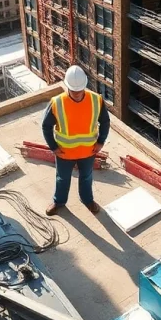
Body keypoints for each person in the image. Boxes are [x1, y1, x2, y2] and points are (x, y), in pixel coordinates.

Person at [43, 65, 111, 216]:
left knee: (86, 177)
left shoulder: (96, 100)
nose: (77, 94)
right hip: (64, 152)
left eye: (80, 90)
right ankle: (59, 202)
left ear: (84, 85)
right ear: (68, 87)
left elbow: (105, 122)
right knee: (62, 178)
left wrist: (101, 141)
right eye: (74, 91)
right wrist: (53, 147)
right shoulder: (57, 102)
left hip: (88, 151)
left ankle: (88, 200)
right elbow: (46, 126)